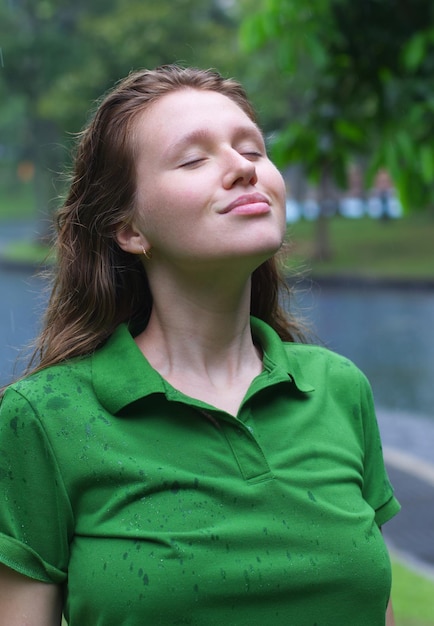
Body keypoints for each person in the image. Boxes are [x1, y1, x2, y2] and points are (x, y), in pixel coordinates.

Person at [0, 65, 399, 625]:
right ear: (129, 228)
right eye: (193, 159)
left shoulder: (339, 388)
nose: (242, 169)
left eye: (255, 152)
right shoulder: (44, 419)